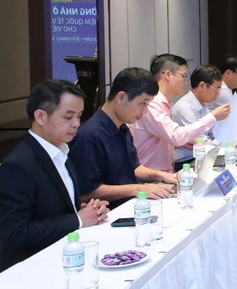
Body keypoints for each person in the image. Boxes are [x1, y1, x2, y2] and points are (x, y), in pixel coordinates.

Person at [0, 80, 108, 275]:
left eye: (79, 116)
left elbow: (55, 208)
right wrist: (77, 220)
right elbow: (15, 234)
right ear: (40, 116)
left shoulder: (62, 152)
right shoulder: (17, 166)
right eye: (68, 116)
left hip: (62, 259)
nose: (76, 124)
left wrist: (87, 211)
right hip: (27, 271)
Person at [70, 68, 177, 209]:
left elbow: (133, 168)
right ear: (121, 98)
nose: (145, 112)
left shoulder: (122, 128)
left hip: (131, 204)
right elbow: (86, 192)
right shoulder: (89, 136)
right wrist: (138, 189)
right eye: (143, 103)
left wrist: (162, 176)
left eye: (148, 105)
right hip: (110, 212)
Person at [131, 54, 231, 173]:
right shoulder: (153, 104)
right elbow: (176, 136)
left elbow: (171, 138)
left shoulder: (168, 103)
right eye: (183, 76)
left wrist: (186, 142)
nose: (185, 81)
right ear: (168, 75)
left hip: (166, 172)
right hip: (151, 177)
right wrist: (212, 117)